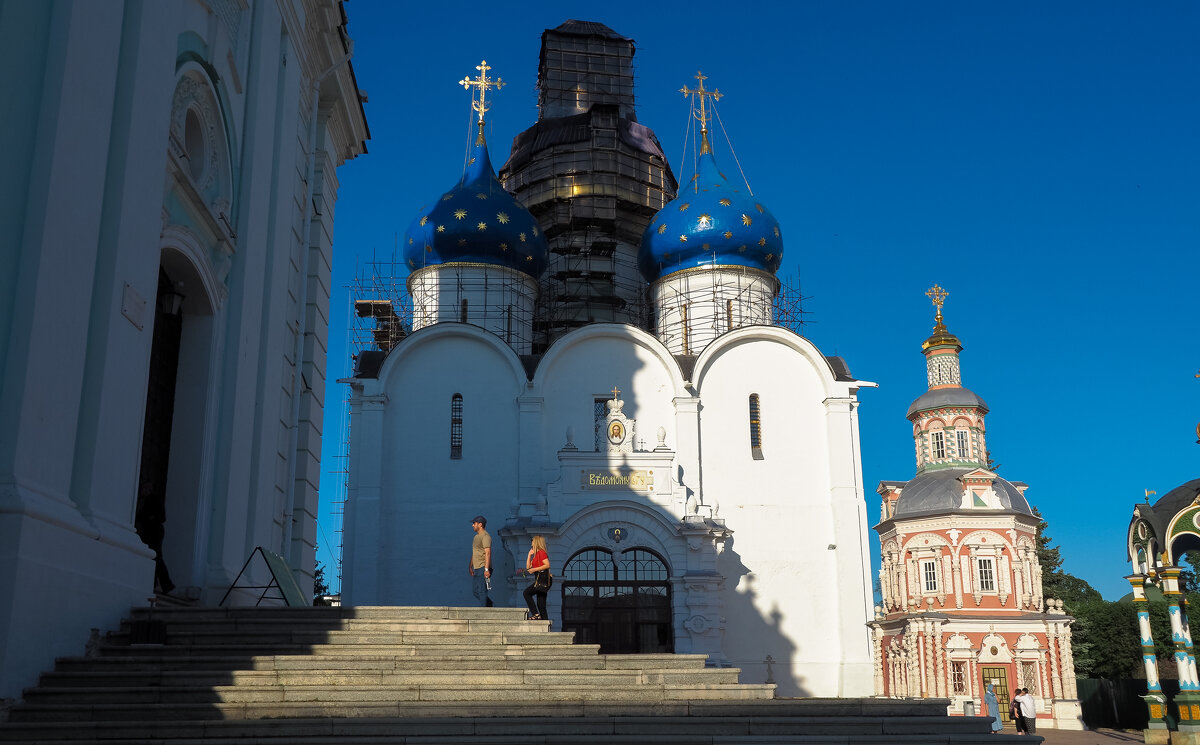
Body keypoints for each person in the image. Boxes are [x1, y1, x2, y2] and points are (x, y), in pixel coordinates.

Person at [521, 536, 551, 620]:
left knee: (526, 593)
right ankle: (545, 621)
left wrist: (535, 569)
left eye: (532, 540)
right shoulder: (536, 555)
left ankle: (536, 614)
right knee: (541, 604)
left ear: (537, 542)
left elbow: (547, 565)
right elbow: (528, 567)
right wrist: (529, 555)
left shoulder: (541, 552)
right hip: (540, 580)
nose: (531, 541)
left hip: (541, 580)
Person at [468, 515, 491, 607]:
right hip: (476, 568)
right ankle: (489, 605)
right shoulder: (476, 537)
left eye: (474, 523)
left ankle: (484, 612)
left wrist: (486, 569)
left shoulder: (486, 536)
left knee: (482, 590)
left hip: (483, 567)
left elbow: (488, 553)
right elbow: (475, 553)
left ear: (480, 524)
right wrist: (470, 566)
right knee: (475, 591)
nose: (473, 525)